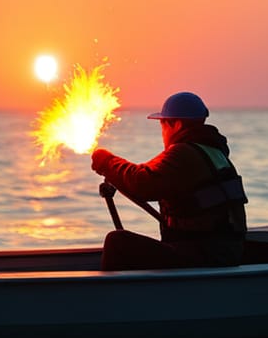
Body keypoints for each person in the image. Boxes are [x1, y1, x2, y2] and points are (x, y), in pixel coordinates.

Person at [90, 91, 248, 270]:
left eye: (163, 124)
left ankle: (107, 296)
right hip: (220, 252)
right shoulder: (211, 152)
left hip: (207, 257)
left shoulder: (183, 153)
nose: (162, 132)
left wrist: (108, 162)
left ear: (177, 124)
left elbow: (143, 182)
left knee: (117, 242)